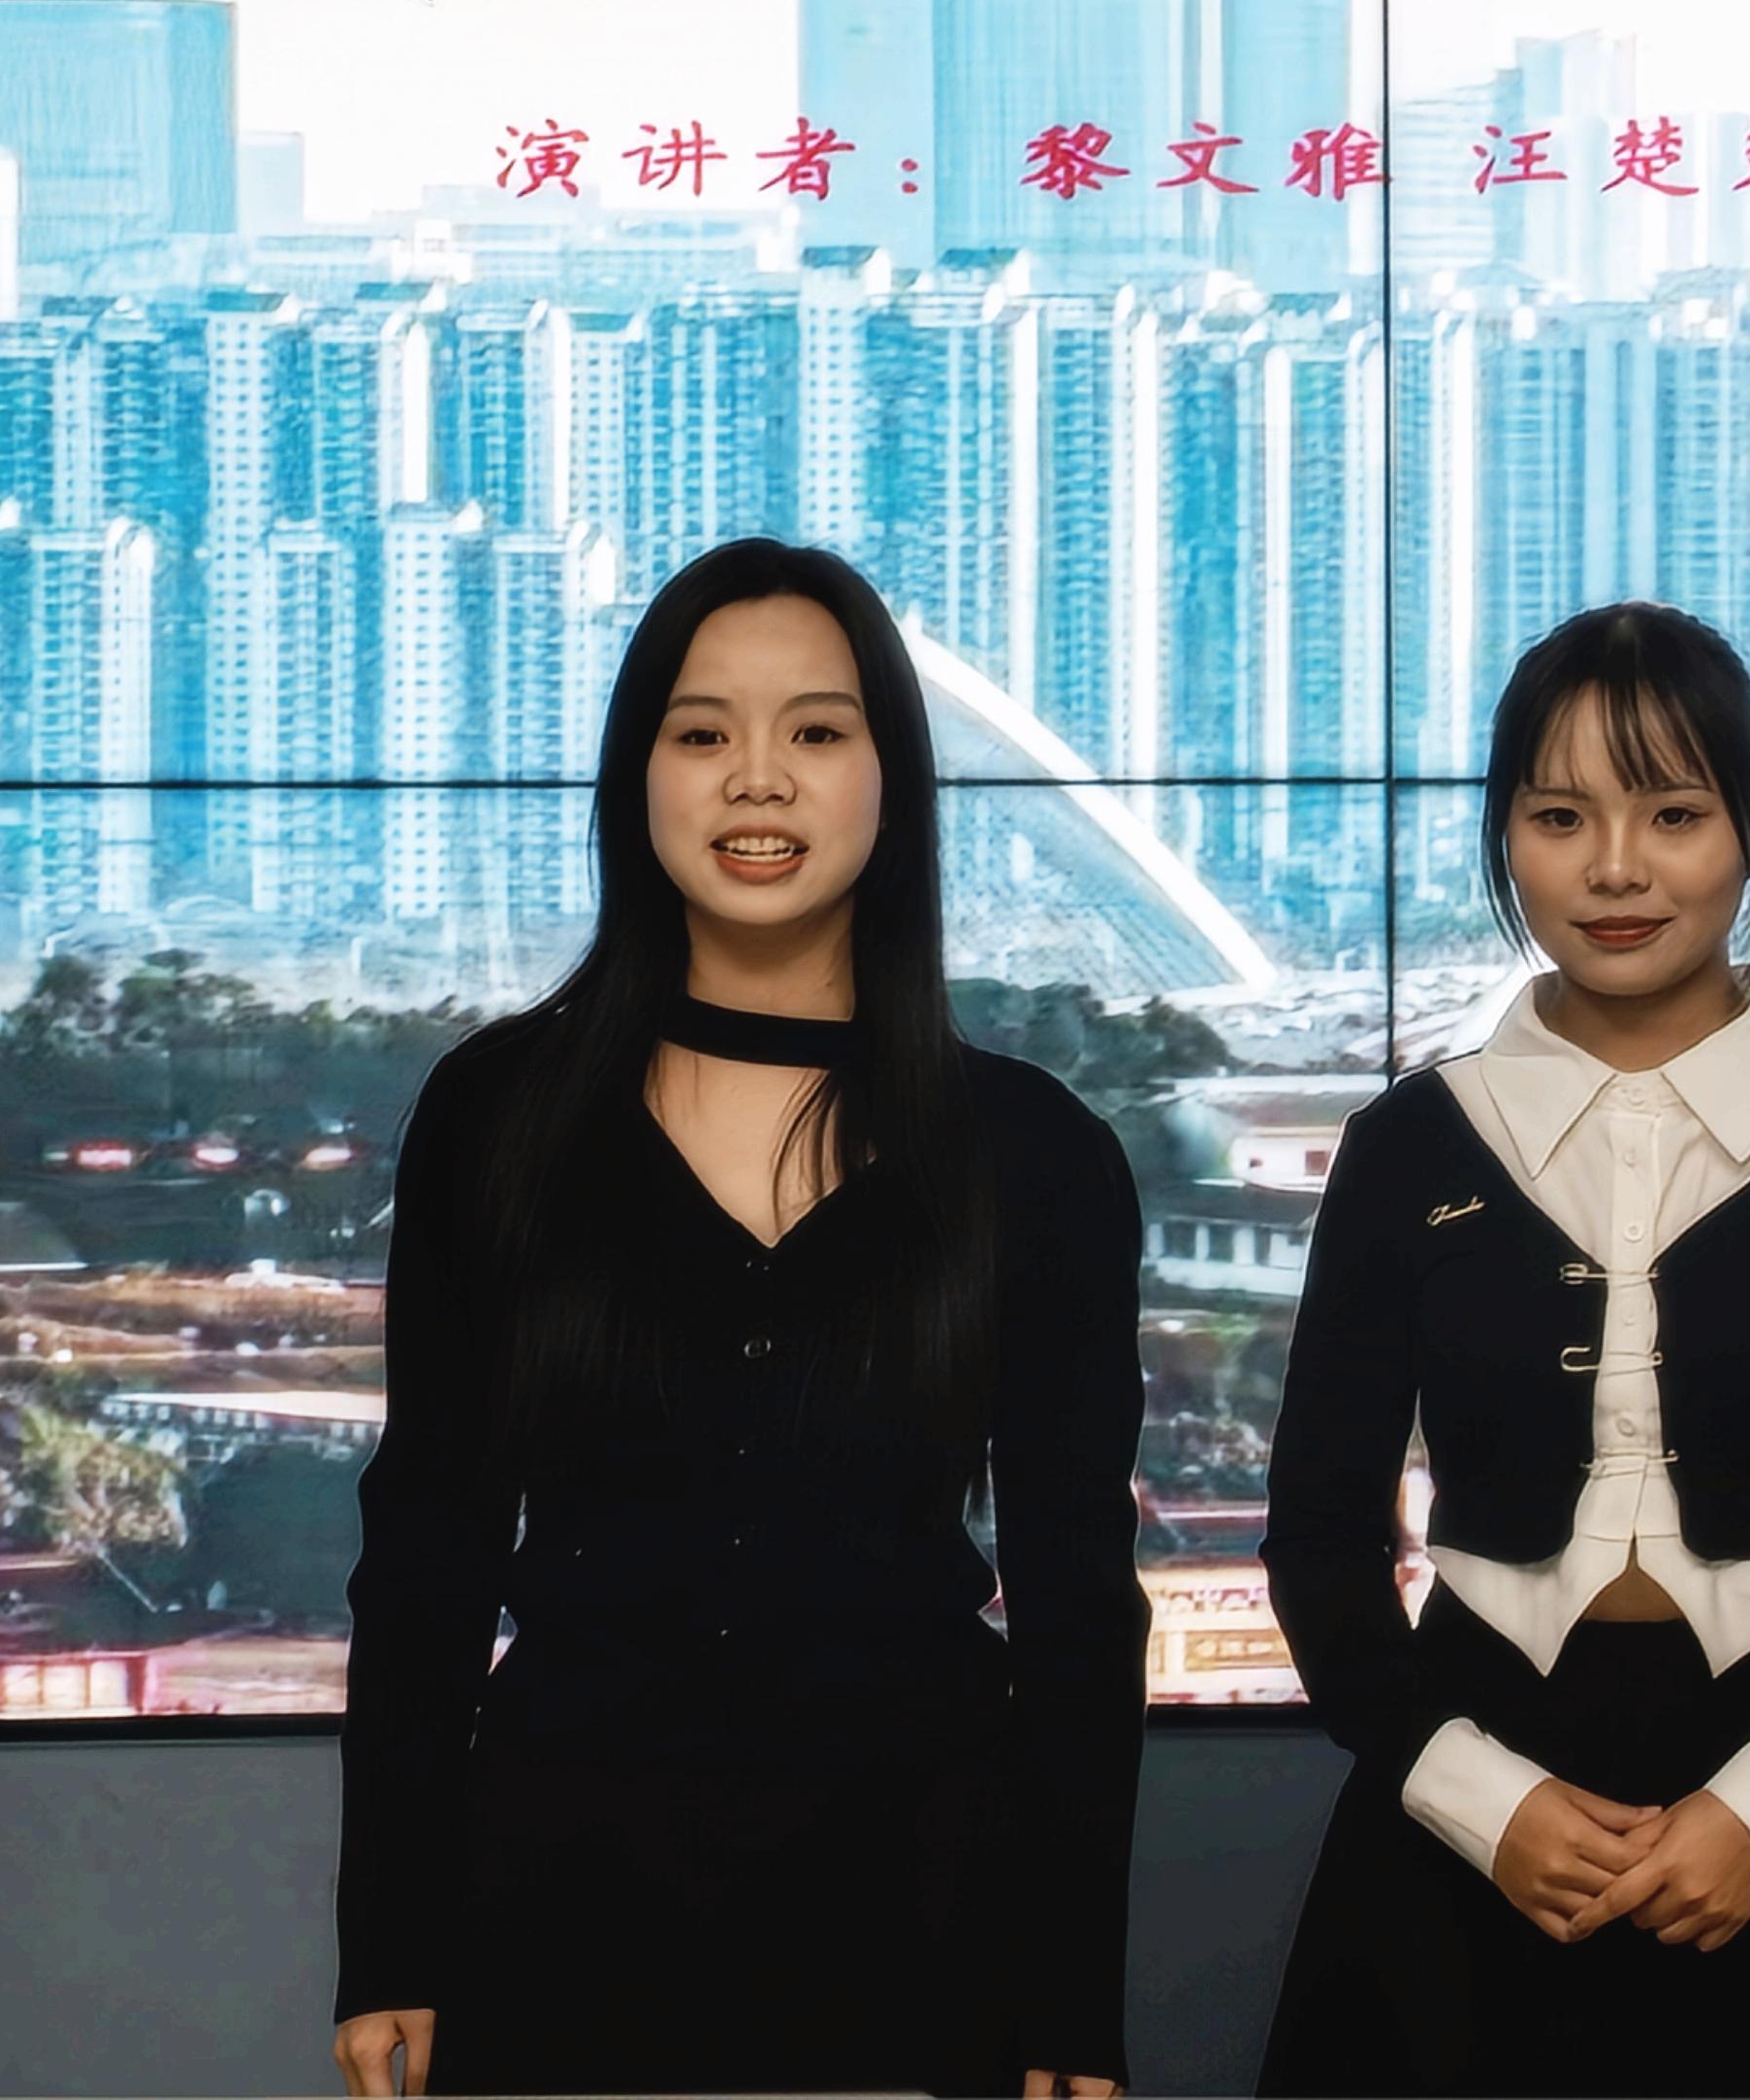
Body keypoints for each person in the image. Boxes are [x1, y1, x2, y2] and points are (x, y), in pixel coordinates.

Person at [330, 540, 1148, 2098]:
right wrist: (391, 1943)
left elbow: (1078, 1612)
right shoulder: (498, 1114)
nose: (757, 778)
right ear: (637, 774)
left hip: (928, 1913)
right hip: (556, 1909)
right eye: (703, 731)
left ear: (893, 778)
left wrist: (1071, 2003)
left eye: (816, 731)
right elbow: (427, 1551)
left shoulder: (1034, 1153)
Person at [1260, 600, 1750, 2097]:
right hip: (1463, 1809)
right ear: (1505, 836)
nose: (1615, 867)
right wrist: (1481, 1800)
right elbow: (1320, 1548)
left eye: (1674, 812)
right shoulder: (1408, 1144)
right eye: (1560, 817)